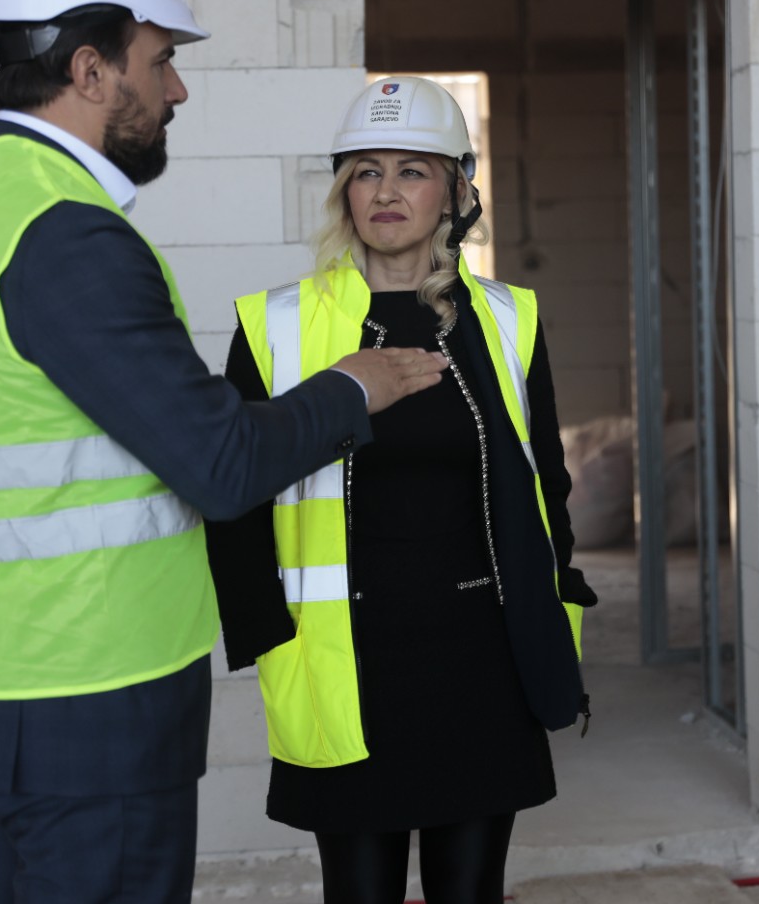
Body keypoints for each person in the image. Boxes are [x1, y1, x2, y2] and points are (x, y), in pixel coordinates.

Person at [0, 0, 448, 904]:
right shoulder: (68, 236)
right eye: (160, 60)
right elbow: (221, 465)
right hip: (97, 707)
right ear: (90, 70)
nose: (177, 89)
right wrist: (355, 386)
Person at [210, 76, 596, 904]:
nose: (386, 191)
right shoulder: (277, 325)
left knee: (471, 889)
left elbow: (546, 481)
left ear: (456, 191)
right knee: (359, 891)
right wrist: (265, 633)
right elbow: (232, 490)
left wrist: (558, 600)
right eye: (366, 171)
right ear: (343, 192)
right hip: (347, 662)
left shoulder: (508, 319)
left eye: (412, 171)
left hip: (482, 660)